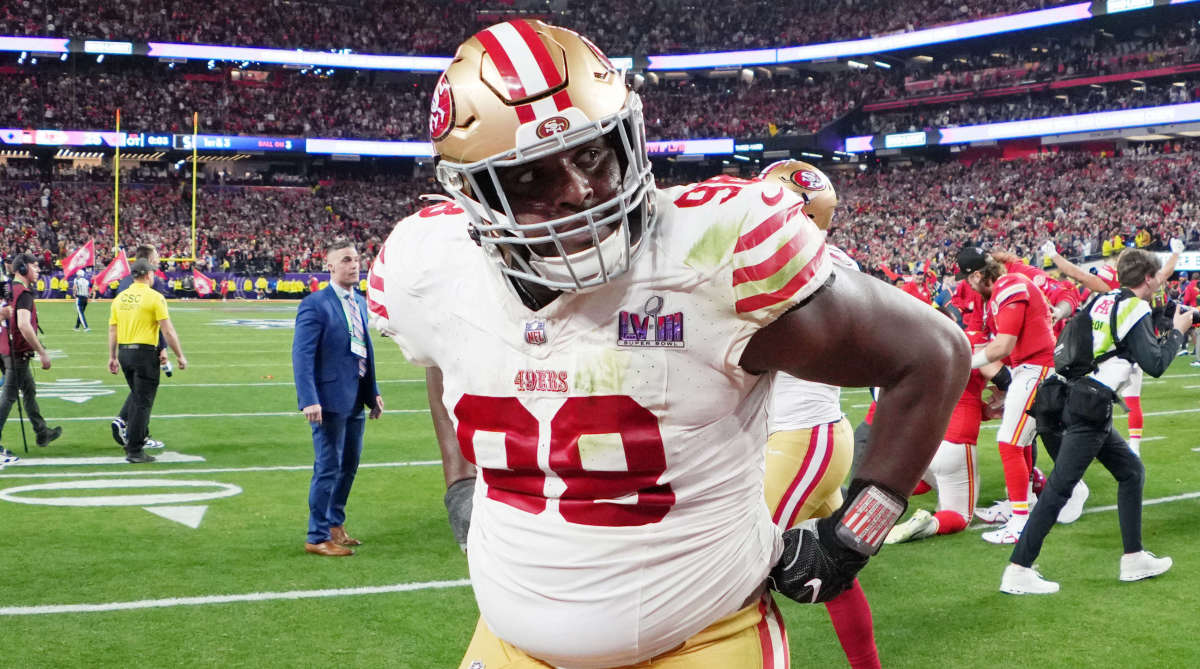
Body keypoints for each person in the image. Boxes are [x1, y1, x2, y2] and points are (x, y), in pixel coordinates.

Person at [369, 20, 968, 668]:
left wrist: (856, 532)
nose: (578, 190)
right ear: (475, 198)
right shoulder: (431, 267)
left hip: (700, 637)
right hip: (508, 642)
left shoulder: (708, 254)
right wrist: (460, 481)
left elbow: (932, 353)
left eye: (592, 152)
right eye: (531, 177)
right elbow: (442, 354)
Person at [1000, 248, 1192, 594]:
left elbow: (1113, 340)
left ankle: (1133, 557)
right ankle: (1018, 568)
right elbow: (1157, 364)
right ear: (1149, 278)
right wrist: (1177, 331)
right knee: (1059, 488)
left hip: (1075, 396)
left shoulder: (1101, 300)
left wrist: (1171, 320)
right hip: (1091, 404)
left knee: (1131, 472)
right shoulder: (1134, 306)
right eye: (1157, 278)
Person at [759, 160, 879, 669]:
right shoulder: (840, 260)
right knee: (836, 575)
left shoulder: (786, 264)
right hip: (817, 433)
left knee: (736, 573)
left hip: (799, 435)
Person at [1043, 239, 1182, 456]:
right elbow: (1164, 272)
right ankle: (1128, 448)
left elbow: (1080, 275)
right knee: (1125, 401)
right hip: (1124, 352)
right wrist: (1175, 254)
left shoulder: (1112, 287)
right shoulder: (1135, 291)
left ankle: (1092, 446)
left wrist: (1054, 257)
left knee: (1090, 403)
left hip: (1102, 356)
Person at [957, 247, 1058, 544]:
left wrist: (964, 362)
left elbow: (1002, 347)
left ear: (977, 274)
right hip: (1027, 369)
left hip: (1037, 367)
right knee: (1020, 441)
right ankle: (1023, 504)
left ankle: (1021, 521)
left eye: (968, 280)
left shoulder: (1009, 285)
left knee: (1009, 443)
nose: (968, 288)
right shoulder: (1006, 286)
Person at [291, 238, 384, 557]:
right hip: (328, 399)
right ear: (329, 266)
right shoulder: (315, 304)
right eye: (346, 260)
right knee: (328, 466)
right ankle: (316, 536)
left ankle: (334, 524)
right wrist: (308, 398)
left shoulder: (358, 302)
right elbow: (302, 355)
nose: (354, 264)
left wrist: (373, 391)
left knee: (349, 465)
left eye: (356, 259)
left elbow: (364, 350)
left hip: (355, 396)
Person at [887, 330, 1007, 544]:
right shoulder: (980, 345)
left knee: (926, 478)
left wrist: (987, 411)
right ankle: (925, 525)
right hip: (955, 441)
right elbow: (1000, 376)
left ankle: (879, 501)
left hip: (921, 437)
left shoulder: (934, 343)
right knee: (961, 515)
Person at [108, 258, 187, 463]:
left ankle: (132, 443)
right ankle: (134, 449)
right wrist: (179, 354)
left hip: (125, 352)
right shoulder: (154, 297)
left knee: (136, 397)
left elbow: (113, 330)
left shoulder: (120, 298)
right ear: (147, 275)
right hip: (144, 353)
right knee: (143, 403)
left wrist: (112, 356)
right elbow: (167, 330)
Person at [0, 253, 62, 452]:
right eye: (34, 267)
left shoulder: (7, 289)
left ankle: (42, 431)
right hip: (17, 352)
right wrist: (42, 352)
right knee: (9, 397)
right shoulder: (23, 293)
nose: (38, 271)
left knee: (29, 390)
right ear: (23, 269)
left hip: (6, 348)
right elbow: (24, 326)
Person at [111, 246, 170, 451]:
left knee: (139, 390)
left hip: (124, 345)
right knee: (144, 395)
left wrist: (112, 354)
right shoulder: (153, 284)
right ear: (148, 262)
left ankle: (124, 422)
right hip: (145, 346)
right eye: (156, 257)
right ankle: (137, 438)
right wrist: (163, 348)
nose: (159, 260)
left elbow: (115, 323)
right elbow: (160, 321)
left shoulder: (124, 284)